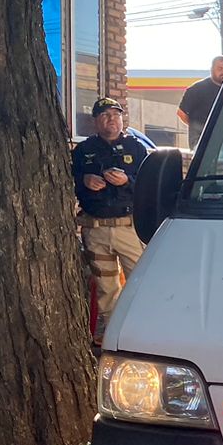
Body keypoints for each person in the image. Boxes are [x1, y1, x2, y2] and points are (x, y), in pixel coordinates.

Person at [73, 96, 148, 347]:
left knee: (139, 283)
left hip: (128, 227)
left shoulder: (136, 148)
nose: (111, 120)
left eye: (116, 115)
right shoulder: (83, 151)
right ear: (95, 121)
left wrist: (127, 181)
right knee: (106, 288)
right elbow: (69, 182)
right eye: (105, 115)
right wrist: (85, 181)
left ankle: (141, 334)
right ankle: (115, 338)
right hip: (96, 229)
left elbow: (148, 185)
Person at [177, 55, 223, 143]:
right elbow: (181, 113)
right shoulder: (196, 89)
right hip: (200, 142)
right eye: (220, 68)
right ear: (212, 69)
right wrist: (196, 127)